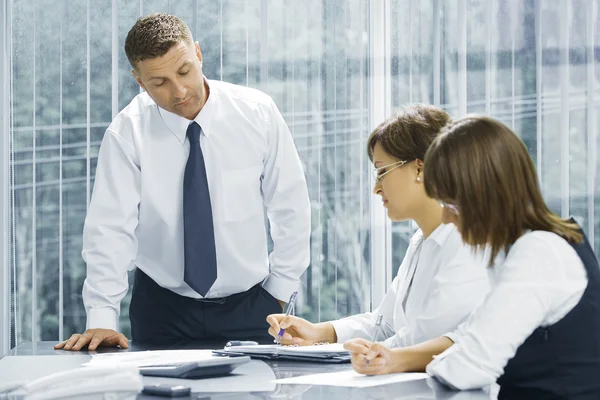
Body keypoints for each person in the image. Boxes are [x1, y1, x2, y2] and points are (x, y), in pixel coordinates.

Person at [54, 13, 310, 351]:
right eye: (159, 82)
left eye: (185, 71)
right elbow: (110, 228)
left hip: (252, 305)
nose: (179, 91)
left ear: (198, 54)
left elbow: (290, 206)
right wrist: (102, 316)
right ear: (139, 80)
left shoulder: (257, 113)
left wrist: (280, 290)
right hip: (162, 308)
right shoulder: (128, 131)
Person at [347, 115, 600, 399]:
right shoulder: (515, 251)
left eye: (451, 202)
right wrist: (395, 359)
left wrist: (442, 358)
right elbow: (467, 336)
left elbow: (469, 365)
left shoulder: (540, 253)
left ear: (484, 195)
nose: (445, 216)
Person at [266, 104, 490, 350]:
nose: (376, 188)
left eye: (382, 172)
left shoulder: (467, 242)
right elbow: (385, 325)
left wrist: (349, 351)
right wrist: (320, 332)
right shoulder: (421, 241)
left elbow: (423, 340)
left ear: (419, 168)